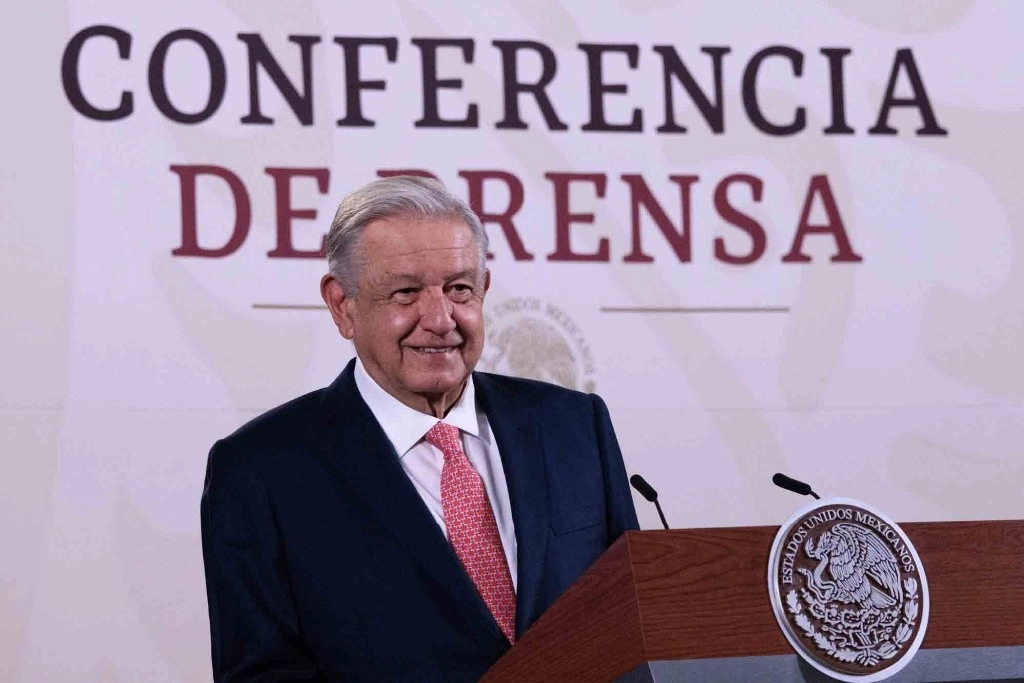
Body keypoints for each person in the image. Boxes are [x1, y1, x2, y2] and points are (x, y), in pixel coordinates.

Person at [200, 175, 639, 681]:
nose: (439, 318)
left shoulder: (574, 426)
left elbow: (634, 622)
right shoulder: (260, 472)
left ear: (483, 291)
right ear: (343, 305)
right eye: (406, 293)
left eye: (458, 289)